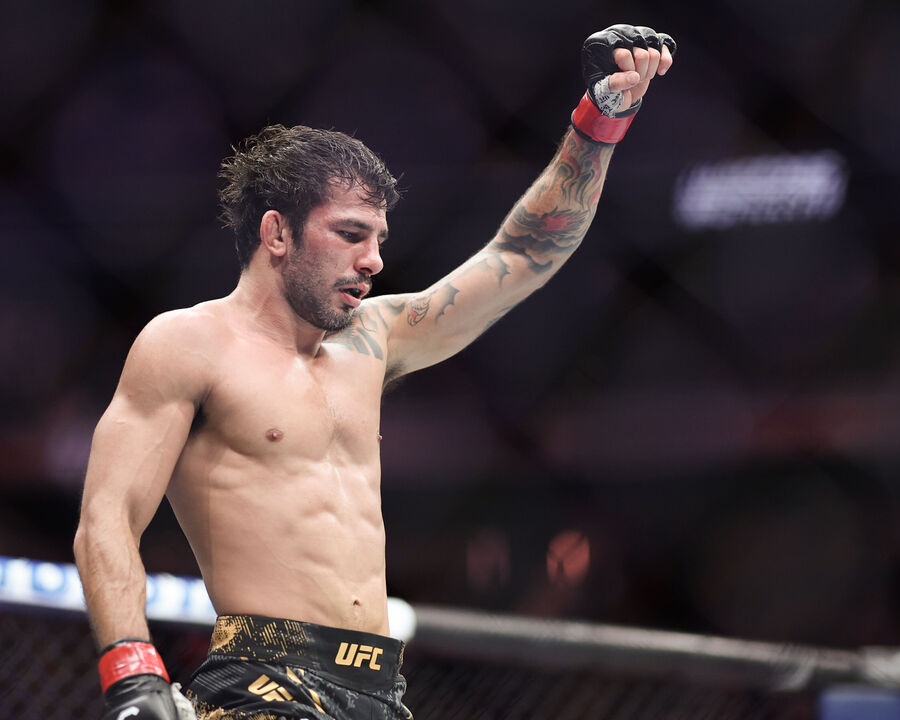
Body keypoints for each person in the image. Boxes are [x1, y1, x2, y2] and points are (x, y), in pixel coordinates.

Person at [73, 23, 676, 720]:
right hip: (264, 680)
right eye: (351, 234)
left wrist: (598, 124)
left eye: (379, 239)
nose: (373, 261)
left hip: (381, 690)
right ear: (277, 233)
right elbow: (107, 518)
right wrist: (134, 676)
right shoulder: (188, 343)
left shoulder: (375, 337)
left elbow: (522, 255)